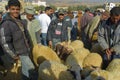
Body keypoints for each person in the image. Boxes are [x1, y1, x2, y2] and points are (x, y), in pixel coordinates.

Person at [0, 0, 36, 80]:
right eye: (13, 9)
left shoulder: (20, 21)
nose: (15, 11)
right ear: (9, 9)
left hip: (26, 51)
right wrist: (14, 55)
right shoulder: (6, 23)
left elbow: (26, 36)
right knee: (32, 71)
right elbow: (5, 42)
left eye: (17, 9)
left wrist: (30, 46)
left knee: (25, 74)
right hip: (19, 53)